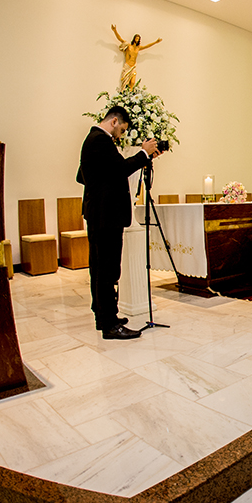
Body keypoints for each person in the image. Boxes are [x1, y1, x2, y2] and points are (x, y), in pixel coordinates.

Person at [77, 106, 160, 340]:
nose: (121, 135)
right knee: (107, 270)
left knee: (100, 268)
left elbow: (81, 175)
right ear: (114, 121)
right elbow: (120, 170)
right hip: (106, 216)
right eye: (122, 130)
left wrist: (100, 184)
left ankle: (103, 316)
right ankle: (109, 324)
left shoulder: (92, 140)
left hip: (99, 214)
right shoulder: (100, 140)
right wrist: (143, 153)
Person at [111, 24, 161, 91]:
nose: (137, 39)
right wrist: (115, 31)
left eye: (138, 39)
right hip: (127, 66)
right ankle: (124, 93)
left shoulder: (138, 48)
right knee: (125, 83)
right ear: (134, 39)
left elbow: (147, 46)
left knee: (132, 82)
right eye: (136, 38)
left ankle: (131, 93)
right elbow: (120, 39)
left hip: (133, 66)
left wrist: (155, 42)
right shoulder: (128, 46)